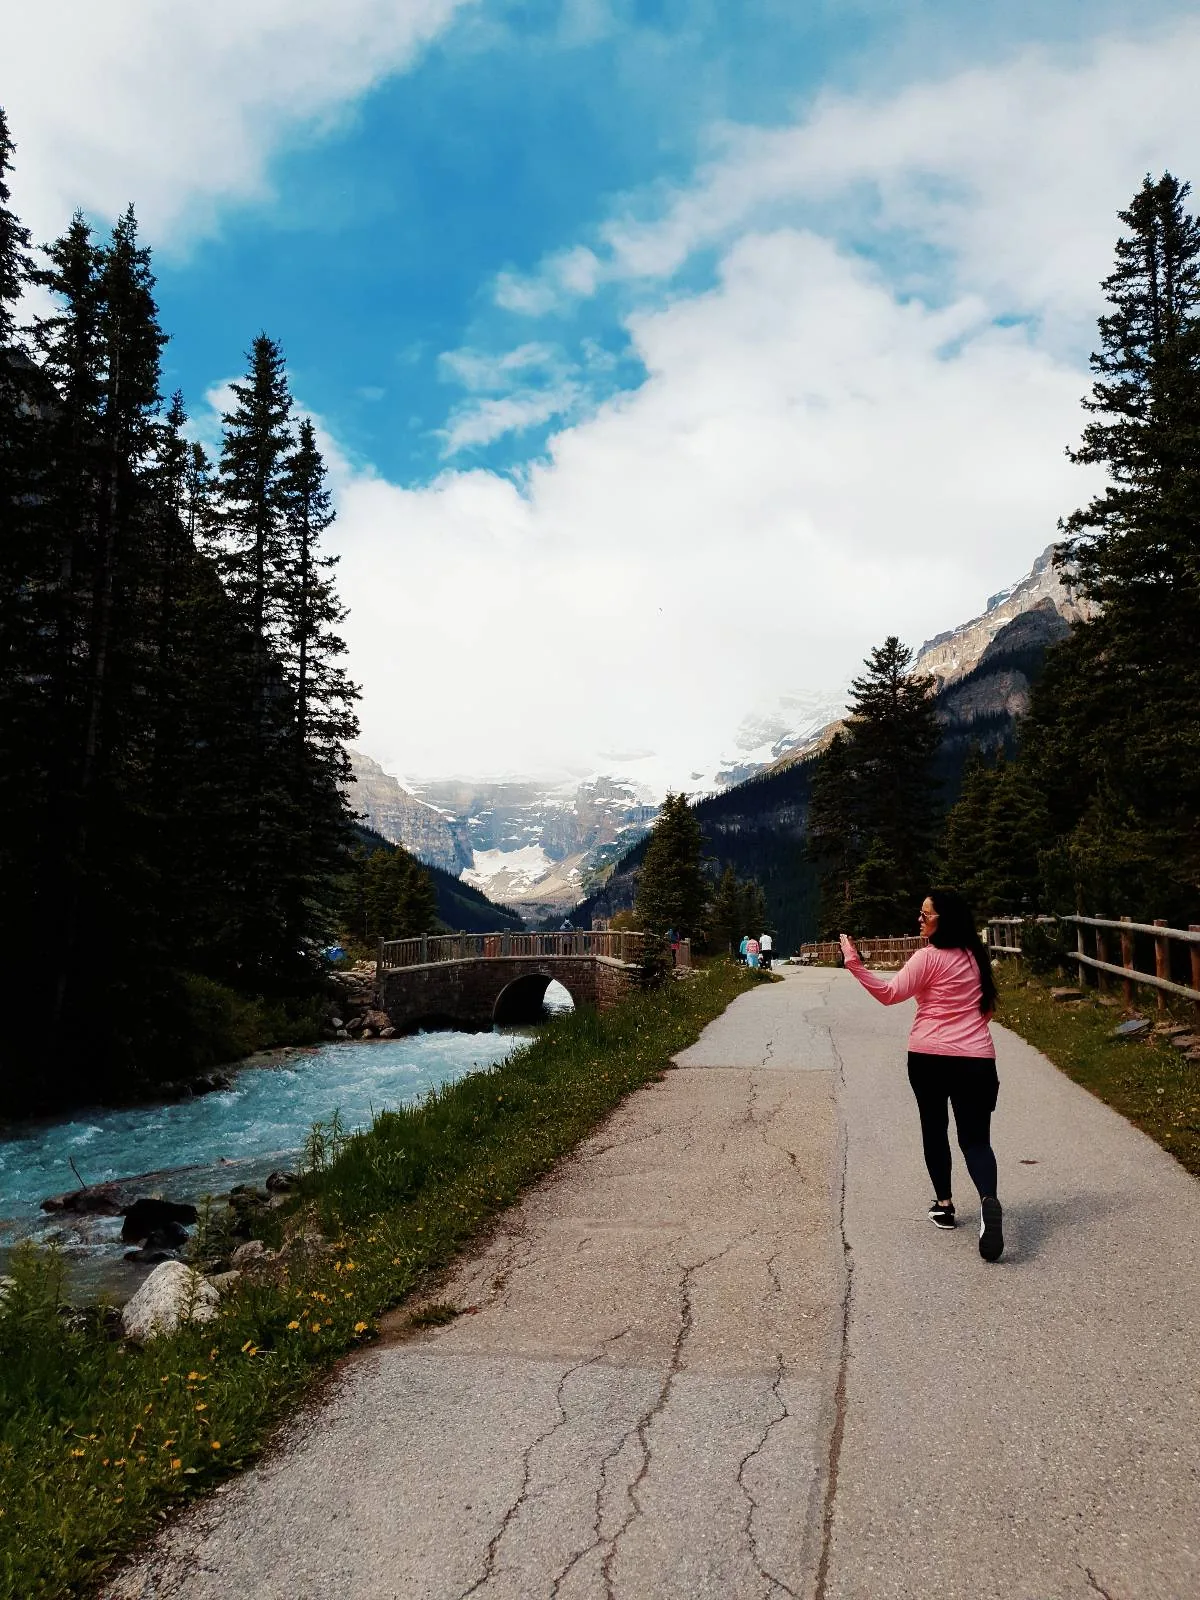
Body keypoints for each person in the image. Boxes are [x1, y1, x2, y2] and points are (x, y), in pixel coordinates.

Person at [838, 889, 1003, 1262]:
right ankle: (988, 1200)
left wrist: (853, 961)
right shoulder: (976, 957)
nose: (920, 918)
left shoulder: (927, 958)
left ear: (944, 920)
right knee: (976, 1141)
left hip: (928, 1055)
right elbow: (987, 1009)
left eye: (925, 914)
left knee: (934, 1127)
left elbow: (889, 993)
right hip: (976, 1058)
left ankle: (944, 1206)